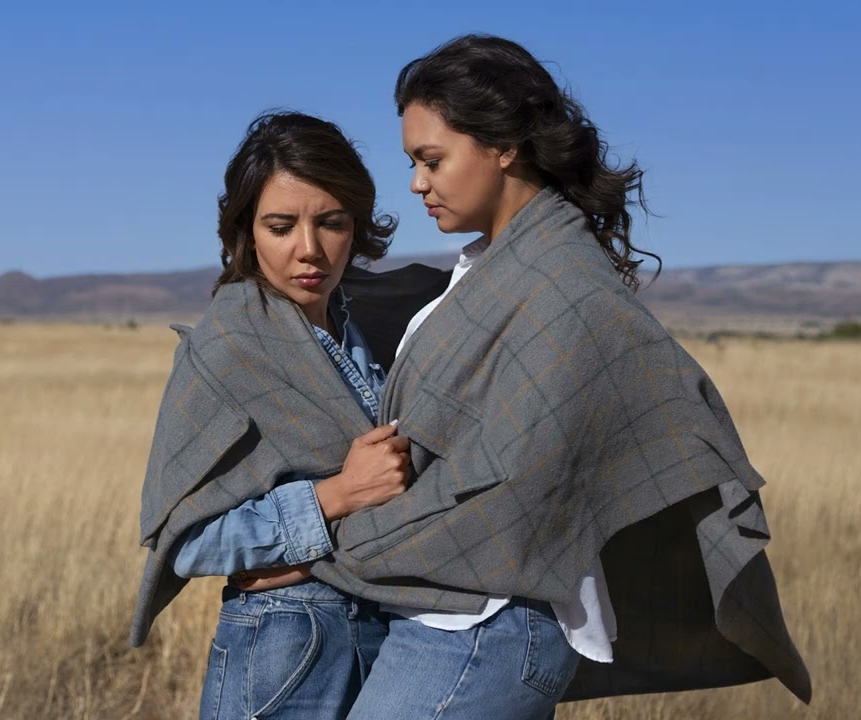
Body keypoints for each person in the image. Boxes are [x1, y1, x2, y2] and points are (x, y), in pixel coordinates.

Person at [293, 34, 813, 718]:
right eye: (413, 162)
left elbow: (510, 497)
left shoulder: (567, 286)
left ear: (503, 145)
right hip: (448, 619)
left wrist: (320, 546)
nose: (417, 183)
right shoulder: (486, 266)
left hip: (489, 631)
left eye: (432, 160)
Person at [128, 111, 450, 720]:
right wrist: (333, 497)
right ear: (246, 233)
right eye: (281, 226)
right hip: (288, 647)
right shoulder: (228, 349)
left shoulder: (367, 332)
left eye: (331, 222)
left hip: (390, 635)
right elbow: (186, 541)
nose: (309, 249)